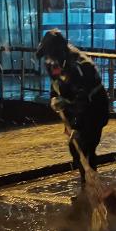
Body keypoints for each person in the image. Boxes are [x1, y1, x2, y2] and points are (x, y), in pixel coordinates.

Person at [37, 29, 110, 181]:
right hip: (75, 107)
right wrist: (54, 98)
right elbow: (56, 83)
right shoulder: (53, 62)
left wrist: (76, 125)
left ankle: (90, 182)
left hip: (95, 107)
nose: (49, 59)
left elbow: (83, 98)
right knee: (76, 148)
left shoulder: (79, 65)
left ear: (59, 51)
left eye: (50, 55)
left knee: (86, 146)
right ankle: (88, 181)